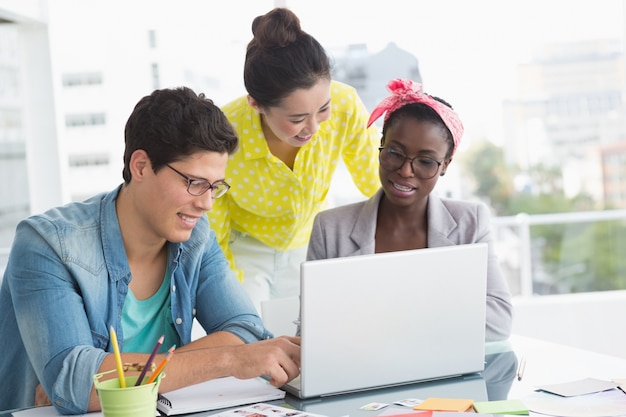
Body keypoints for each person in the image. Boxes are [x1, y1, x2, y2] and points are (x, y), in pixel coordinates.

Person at [0, 87, 300, 414]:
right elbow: (78, 383)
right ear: (141, 166)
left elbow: (246, 332)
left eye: (215, 187)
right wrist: (227, 360)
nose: (207, 203)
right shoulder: (47, 243)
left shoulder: (195, 237)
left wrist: (106, 376)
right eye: (195, 183)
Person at [306, 78, 513, 341]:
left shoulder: (470, 222)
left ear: (446, 165)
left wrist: (383, 316)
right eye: (394, 153)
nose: (405, 171)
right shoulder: (330, 228)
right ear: (380, 145)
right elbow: (314, 329)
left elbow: (499, 322)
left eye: (426, 161)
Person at [209, 7, 380, 312]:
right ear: (256, 104)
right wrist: (229, 284)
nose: (314, 127)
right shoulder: (223, 131)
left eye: (322, 109)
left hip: (311, 245)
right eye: (298, 118)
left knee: (318, 339)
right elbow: (213, 222)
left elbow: (377, 183)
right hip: (245, 250)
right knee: (249, 337)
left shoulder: (345, 105)